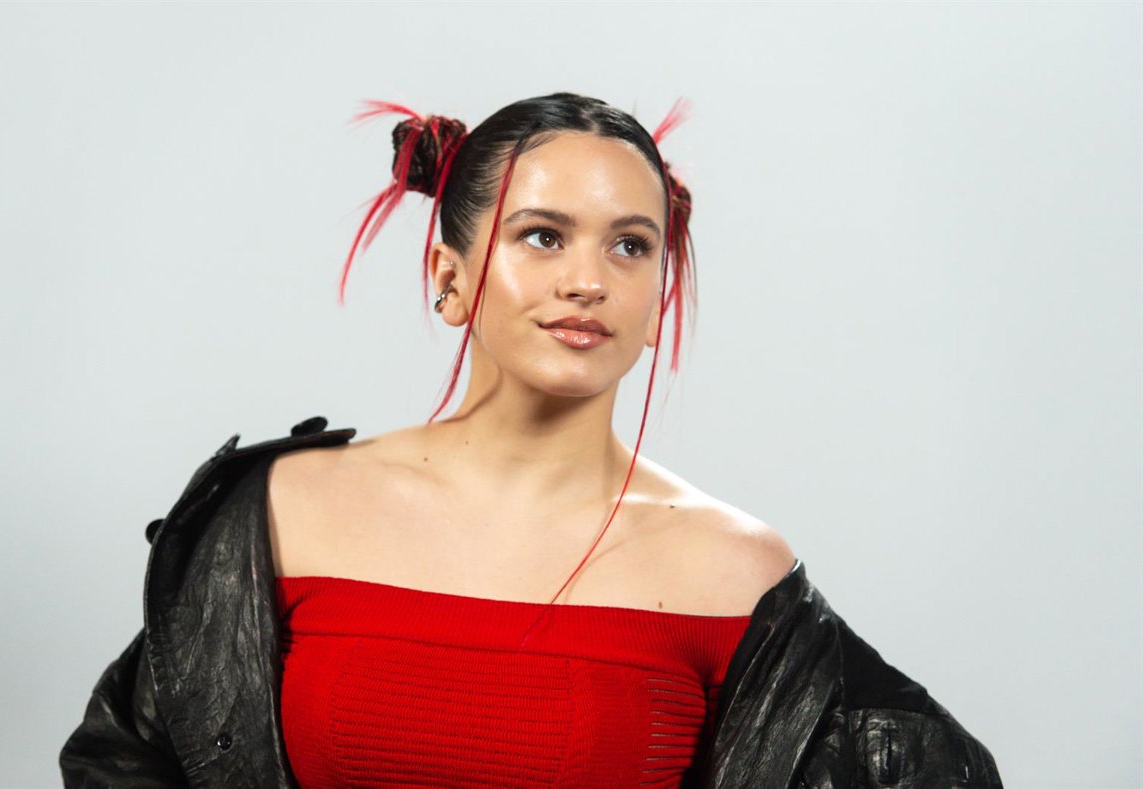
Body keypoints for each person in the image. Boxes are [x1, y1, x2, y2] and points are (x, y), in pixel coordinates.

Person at [59, 92, 1002, 787]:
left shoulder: (732, 566)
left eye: (630, 245)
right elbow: (125, 757)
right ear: (450, 276)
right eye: (544, 235)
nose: (589, 280)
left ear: (658, 296)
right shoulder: (283, 508)